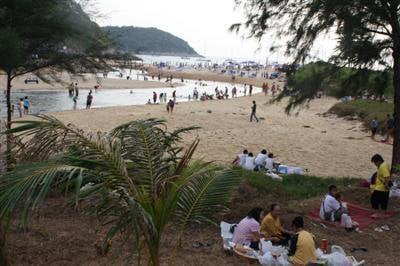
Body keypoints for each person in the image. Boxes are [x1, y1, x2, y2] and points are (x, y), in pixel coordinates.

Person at [370, 154, 391, 218]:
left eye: (375, 162)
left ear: (379, 161)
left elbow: (386, 176)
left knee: (374, 199)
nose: (375, 164)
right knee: (384, 201)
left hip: (381, 187)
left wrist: (386, 185)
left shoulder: (382, 167)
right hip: (383, 188)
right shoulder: (385, 164)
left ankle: (376, 214)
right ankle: (382, 214)